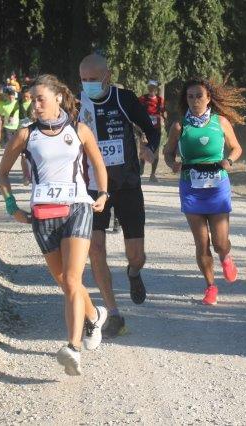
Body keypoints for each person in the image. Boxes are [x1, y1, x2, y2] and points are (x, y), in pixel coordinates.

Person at [0, 74, 110, 376]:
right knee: (64, 282)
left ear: (58, 97)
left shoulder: (79, 130)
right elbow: (2, 173)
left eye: (40, 99)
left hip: (77, 208)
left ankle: (73, 347)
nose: (34, 105)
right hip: (43, 214)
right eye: (31, 100)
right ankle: (94, 316)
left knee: (72, 279)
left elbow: (98, 163)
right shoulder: (25, 135)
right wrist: (11, 206)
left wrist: (102, 193)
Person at [78, 53, 159, 337]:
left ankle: (134, 272)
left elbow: (151, 129)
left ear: (107, 76)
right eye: (83, 79)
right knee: (95, 249)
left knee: (136, 255)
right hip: (91, 188)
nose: (88, 84)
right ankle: (113, 313)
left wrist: (149, 148)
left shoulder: (124, 99)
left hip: (127, 185)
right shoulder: (77, 104)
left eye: (93, 79)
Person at [163, 77, 245, 305]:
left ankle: (226, 257)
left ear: (208, 98)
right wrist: (172, 164)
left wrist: (229, 161)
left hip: (217, 186)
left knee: (220, 243)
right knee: (202, 243)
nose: (195, 100)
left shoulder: (221, 122)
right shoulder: (179, 126)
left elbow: (237, 148)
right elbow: (168, 152)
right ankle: (210, 287)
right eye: (190, 97)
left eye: (199, 96)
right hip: (191, 187)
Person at [138, 80, 166, 182]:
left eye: (153, 87)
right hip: (144, 129)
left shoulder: (160, 100)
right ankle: (141, 169)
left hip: (156, 129)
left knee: (155, 152)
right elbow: (137, 112)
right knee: (143, 150)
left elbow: (163, 112)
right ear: (148, 88)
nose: (151, 89)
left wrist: (164, 120)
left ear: (156, 89)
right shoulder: (142, 99)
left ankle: (152, 174)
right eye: (150, 87)